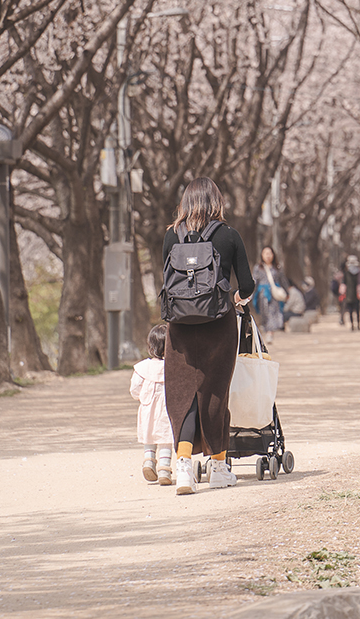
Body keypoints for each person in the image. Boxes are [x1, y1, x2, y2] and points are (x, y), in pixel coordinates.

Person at [163, 177, 255, 495]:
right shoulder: (228, 235)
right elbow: (247, 283)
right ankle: (218, 466)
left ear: (186, 203)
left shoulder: (171, 235)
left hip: (180, 328)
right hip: (218, 324)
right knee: (215, 393)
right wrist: (237, 300)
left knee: (182, 395)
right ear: (217, 201)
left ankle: (184, 467)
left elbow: (165, 281)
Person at [130, 323, 174, 485]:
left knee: (149, 434)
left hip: (148, 408)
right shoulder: (172, 367)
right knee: (165, 438)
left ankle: (149, 460)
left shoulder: (143, 367)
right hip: (167, 410)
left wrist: (140, 397)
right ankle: (164, 469)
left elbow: (135, 389)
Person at [251, 246, 288, 343]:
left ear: (273, 255)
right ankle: (266, 329)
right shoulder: (258, 268)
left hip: (274, 295)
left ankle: (269, 333)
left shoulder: (277, 268)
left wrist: (287, 292)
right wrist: (250, 294)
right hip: (263, 294)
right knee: (265, 313)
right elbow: (254, 282)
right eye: (265, 253)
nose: (268, 256)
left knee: (273, 312)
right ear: (262, 255)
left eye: (270, 253)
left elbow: (283, 281)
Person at [342, 254, 360, 330]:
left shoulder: (359, 273)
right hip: (350, 294)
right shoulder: (346, 273)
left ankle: (357, 324)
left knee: (356, 310)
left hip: (355, 294)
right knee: (351, 311)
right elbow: (344, 283)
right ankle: (353, 325)